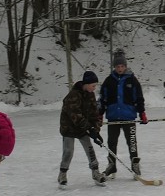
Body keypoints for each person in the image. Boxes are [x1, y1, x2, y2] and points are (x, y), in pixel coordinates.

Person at [99, 50, 146, 179]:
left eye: (122, 66)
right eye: (117, 66)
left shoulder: (132, 80)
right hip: (113, 117)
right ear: (114, 67)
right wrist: (100, 113)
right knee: (112, 142)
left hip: (128, 117)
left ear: (125, 66)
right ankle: (111, 165)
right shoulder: (109, 81)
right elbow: (103, 98)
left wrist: (142, 112)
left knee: (131, 142)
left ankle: (135, 164)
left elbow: (139, 97)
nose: (120, 68)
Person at [59, 71, 107, 187]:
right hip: (69, 128)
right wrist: (89, 128)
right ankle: (62, 174)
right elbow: (76, 116)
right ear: (86, 84)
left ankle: (95, 173)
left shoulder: (90, 95)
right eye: (93, 85)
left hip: (82, 128)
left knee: (90, 149)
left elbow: (94, 113)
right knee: (68, 151)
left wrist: (96, 130)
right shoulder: (73, 95)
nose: (94, 88)